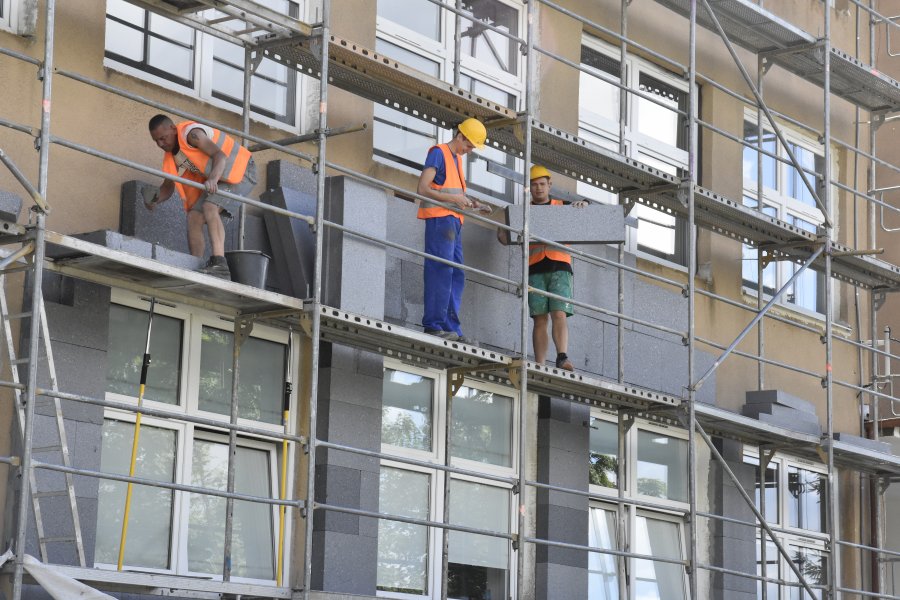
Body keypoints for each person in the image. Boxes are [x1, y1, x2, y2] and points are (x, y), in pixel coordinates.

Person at [145, 114, 257, 277]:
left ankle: (220, 263)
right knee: (194, 217)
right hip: (221, 177)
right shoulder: (172, 156)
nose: (161, 144)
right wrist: (154, 200)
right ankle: (195, 263)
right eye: (156, 141)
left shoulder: (192, 134)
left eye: (163, 138)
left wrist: (212, 179)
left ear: (173, 129)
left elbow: (220, 156)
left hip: (242, 170)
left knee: (209, 206)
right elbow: (167, 188)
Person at [416, 118, 488, 342]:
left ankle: (450, 327)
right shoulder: (438, 153)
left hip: (453, 222)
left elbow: (453, 191)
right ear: (460, 136)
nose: (469, 151)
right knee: (441, 270)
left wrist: (474, 203)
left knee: (457, 274)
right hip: (440, 219)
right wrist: (453, 199)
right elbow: (423, 188)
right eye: (468, 146)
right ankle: (434, 325)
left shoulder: (456, 158)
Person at [527, 165, 587, 371]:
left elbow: (588, 207)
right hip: (535, 268)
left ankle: (562, 356)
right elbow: (507, 231)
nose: (539, 189)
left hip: (559, 266)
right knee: (539, 318)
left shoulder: (562, 205)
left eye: (542, 184)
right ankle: (540, 364)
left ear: (549, 185)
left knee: (559, 313)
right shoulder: (526, 211)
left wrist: (583, 203)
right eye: (534, 185)